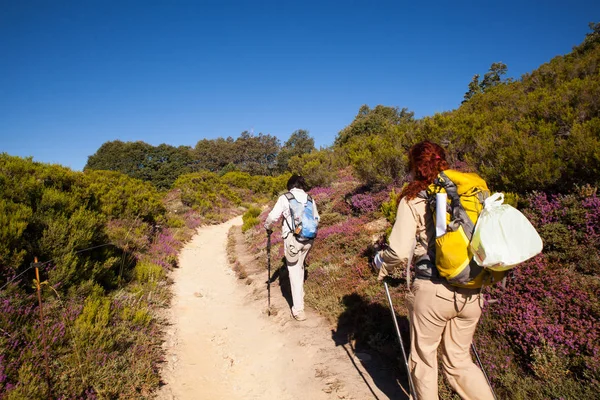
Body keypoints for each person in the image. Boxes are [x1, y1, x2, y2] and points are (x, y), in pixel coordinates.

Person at [372, 141, 495, 400]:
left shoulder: (413, 198)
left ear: (415, 166)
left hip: (433, 293)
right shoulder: (465, 192)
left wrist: (380, 262)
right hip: (471, 290)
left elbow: (399, 252)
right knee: (459, 363)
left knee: (424, 361)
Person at [264, 174, 319, 321]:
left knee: (294, 272)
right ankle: (300, 294)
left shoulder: (285, 198)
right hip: (308, 239)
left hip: (293, 240)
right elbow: (317, 219)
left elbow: (273, 217)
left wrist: (267, 227)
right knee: (300, 267)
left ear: (290, 185)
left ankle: (298, 310)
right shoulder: (310, 199)